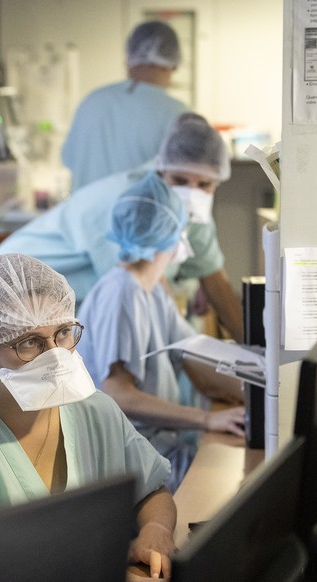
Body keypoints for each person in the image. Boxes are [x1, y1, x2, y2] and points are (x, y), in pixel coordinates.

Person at [0, 253, 177, 579]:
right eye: (30, 343)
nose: (54, 357)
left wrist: (156, 528)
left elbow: (152, 490)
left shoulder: (92, 409)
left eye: (64, 333)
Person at [0, 112, 244, 343]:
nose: (191, 193)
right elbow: (146, 286)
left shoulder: (191, 210)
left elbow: (214, 279)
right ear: (161, 169)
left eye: (204, 185)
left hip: (47, 320)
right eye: (180, 181)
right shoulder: (133, 205)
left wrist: (256, 350)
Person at [76, 173, 245, 491]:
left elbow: (194, 349)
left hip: (158, 447)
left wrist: (261, 376)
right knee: (227, 491)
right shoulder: (122, 295)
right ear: (167, 236)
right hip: (131, 462)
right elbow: (118, 394)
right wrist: (207, 419)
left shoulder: (150, 288)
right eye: (181, 227)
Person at [62, 20, 189, 190]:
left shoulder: (92, 101)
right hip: (138, 216)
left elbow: (68, 159)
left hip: (86, 216)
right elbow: (186, 180)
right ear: (175, 63)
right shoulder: (177, 113)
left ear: (128, 59)